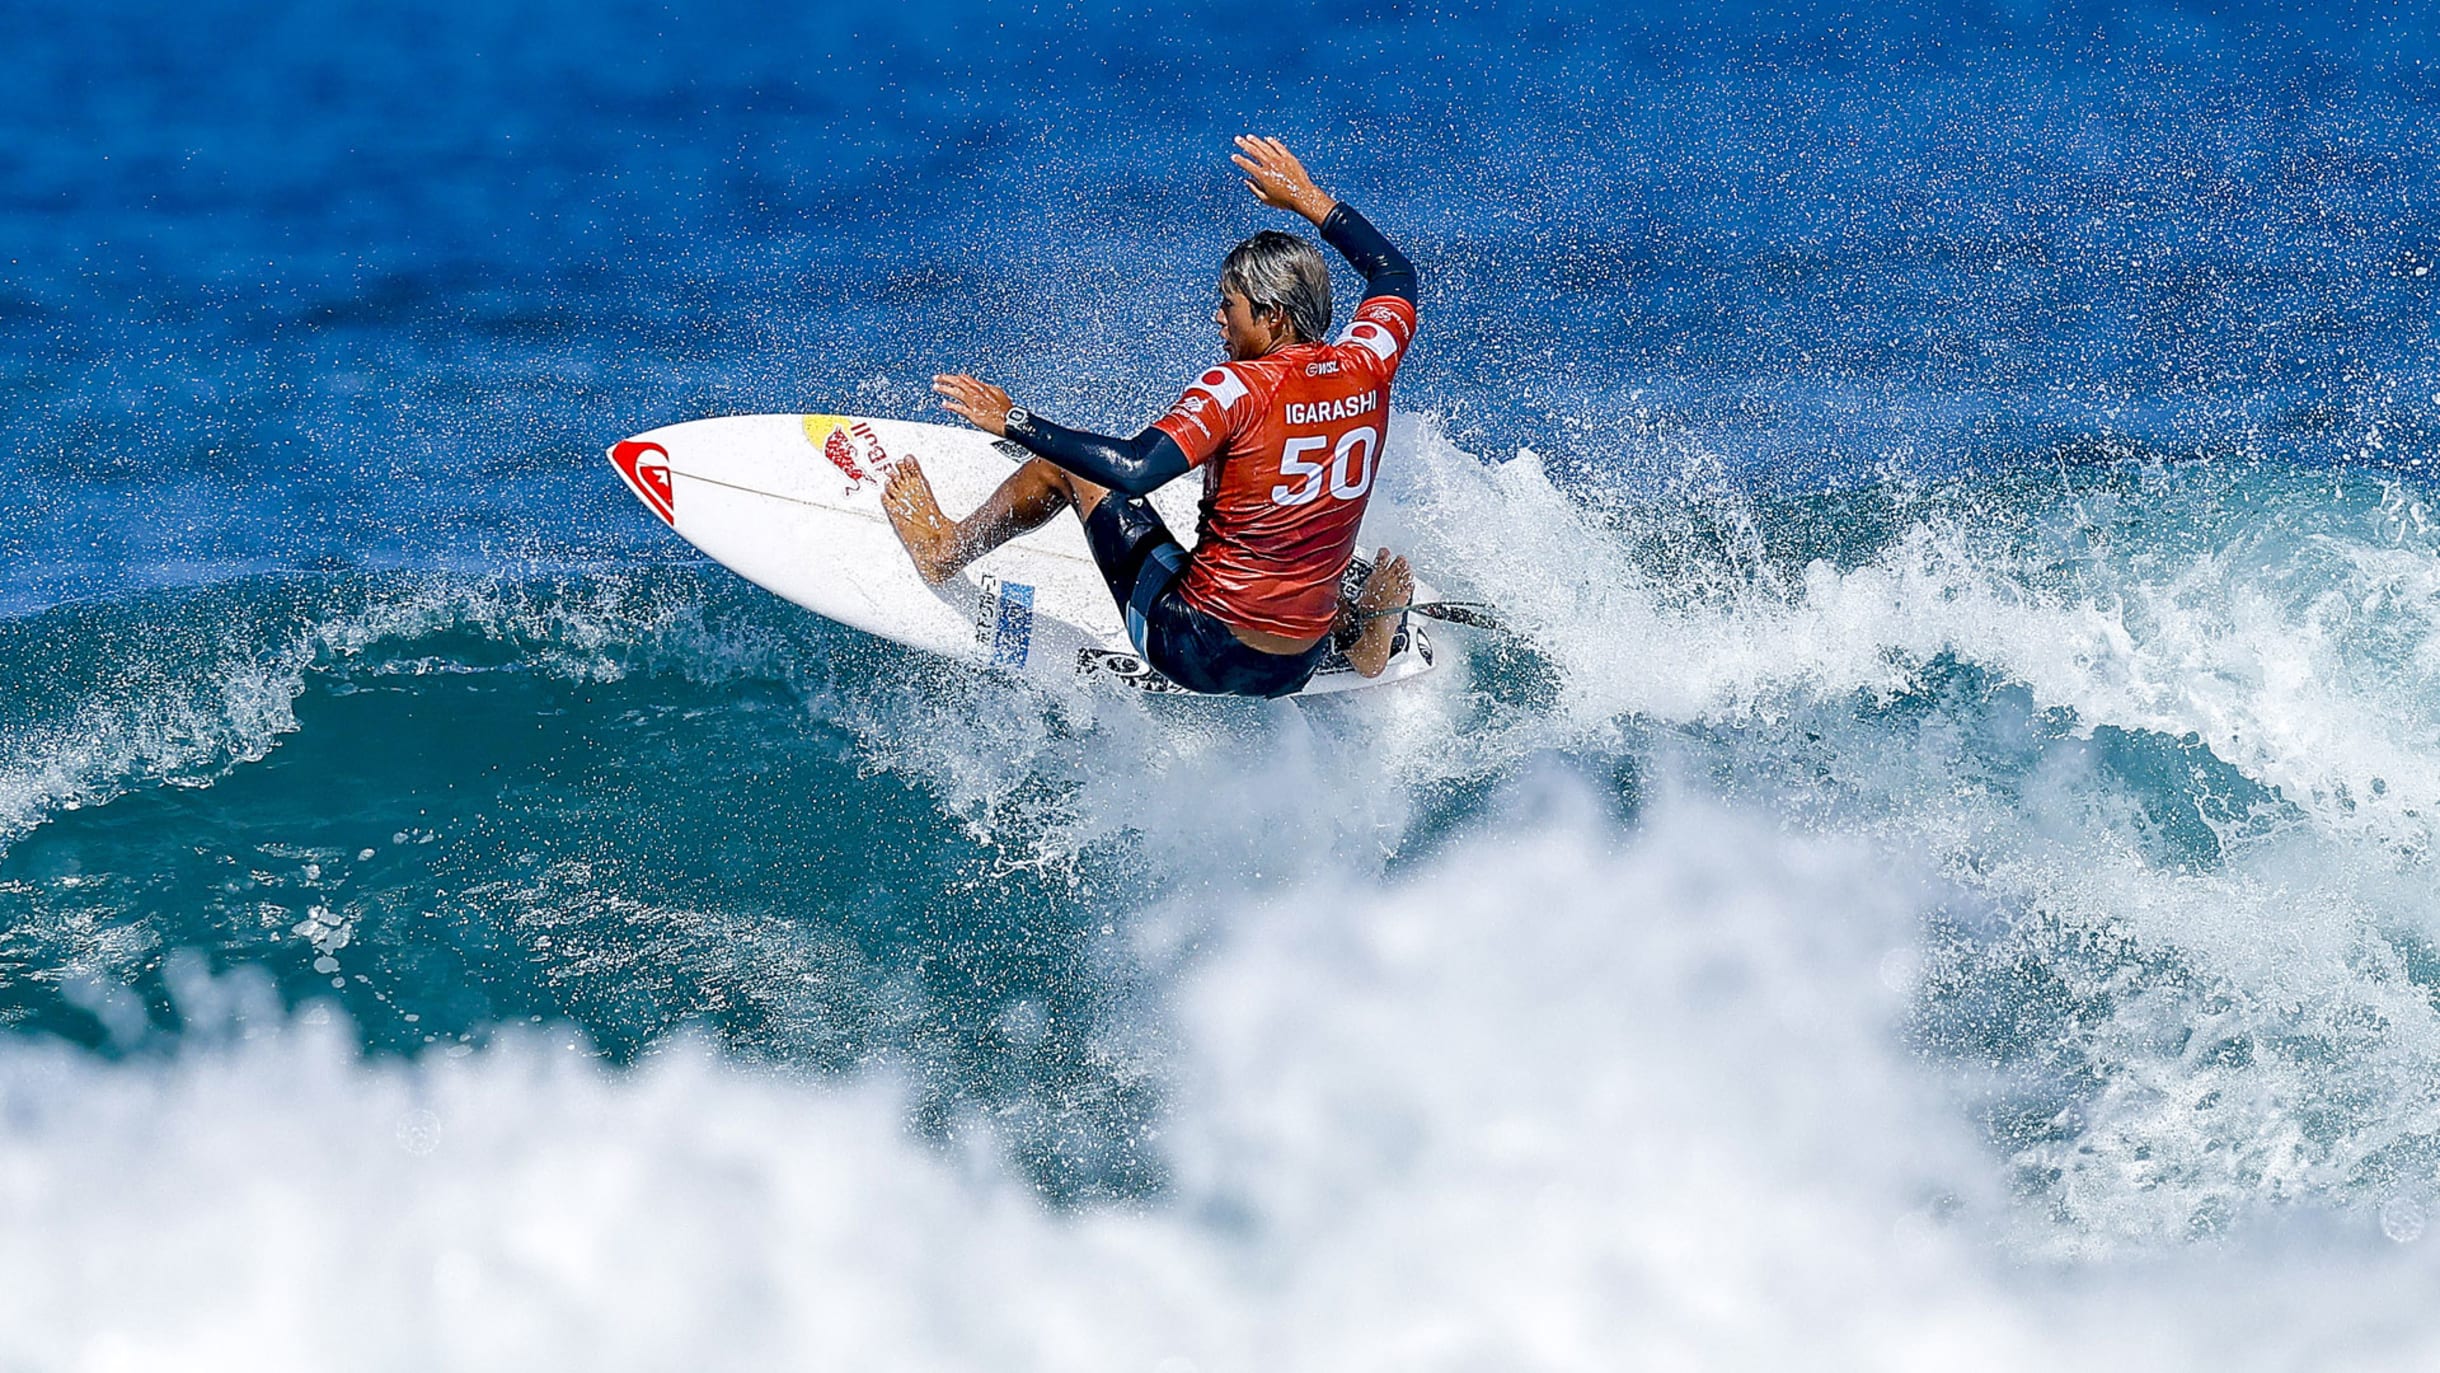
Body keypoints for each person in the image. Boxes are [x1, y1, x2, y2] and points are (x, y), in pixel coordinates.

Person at [880, 135, 1419, 698]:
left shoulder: (1237, 388)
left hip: (1198, 648)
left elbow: (1134, 468)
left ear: (1273, 316)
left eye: (1229, 305)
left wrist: (1015, 420)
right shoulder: (1370, 360)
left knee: (1067, 468)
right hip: (1296, 665)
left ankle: (944, 551)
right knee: (1308, 538)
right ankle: (1359, 633)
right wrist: (1308, 197)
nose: (1218, 319)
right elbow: (1394, 276)